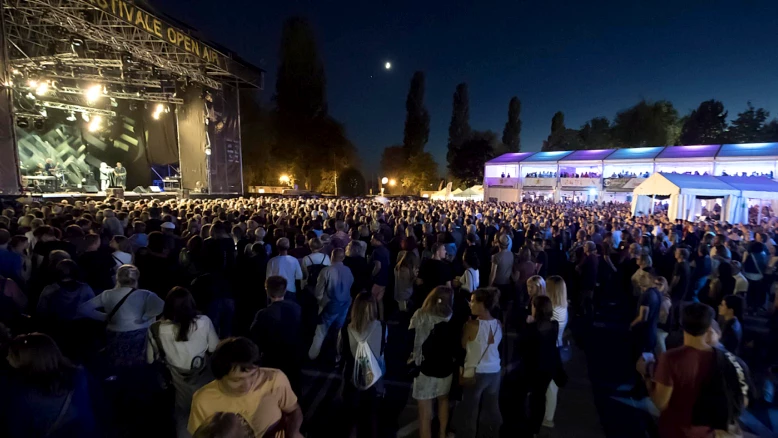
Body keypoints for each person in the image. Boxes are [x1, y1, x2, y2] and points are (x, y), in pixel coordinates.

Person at [188, 337, 304, 438]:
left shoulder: (275, 379)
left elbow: (293, 410)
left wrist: (293, 432)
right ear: (219, 376)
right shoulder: (202, 400)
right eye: (237, 380)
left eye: (253, 375)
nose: (248, 385)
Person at [147, 287, 219, 438]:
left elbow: (150, 359)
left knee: (184, 415)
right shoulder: (204, 322)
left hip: (178, 382)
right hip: (203, 376)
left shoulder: (155, 328)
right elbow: (214, 347)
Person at [0, 333, 99, 437]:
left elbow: (17, 430)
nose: (7, 358)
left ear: (27, 361)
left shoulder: (22, 394)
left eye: (11, 355)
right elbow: (98, 403)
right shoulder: (79, 374)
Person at [640, 302, 716, 438]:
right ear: (709, 327)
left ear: (682, 323)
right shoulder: (721, 358)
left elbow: (660, 402)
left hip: (676, 430)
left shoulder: (671, 358)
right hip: (707, 432)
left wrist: (645, 374)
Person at [78, 264, 164, 369]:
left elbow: (83, 309)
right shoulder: (145, 294)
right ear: (136, 278)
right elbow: (161, 306)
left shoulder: (107, 294)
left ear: (117, 278)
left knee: (118, 366)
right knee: (139, 367)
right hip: (140, 334)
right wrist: (145, 318)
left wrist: (105, 317)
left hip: (115, 335)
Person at [454, 288, 503, 438]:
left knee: (470, 411)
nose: (470, 304)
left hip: (476, 372)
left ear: (483, 304)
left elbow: (463, 345)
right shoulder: (498, 323)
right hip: (494, 370)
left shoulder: (472, 325)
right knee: (491, 408)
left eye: (474, 301)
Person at [409, 286, 456, 438]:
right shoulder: (452, 317)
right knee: (443, 401)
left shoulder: (420, 314)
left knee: (424, 413)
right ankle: (442, 433)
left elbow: (411, 336)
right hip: (445, 367)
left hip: (424, 368)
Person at [517, 295, 564, 437]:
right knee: (540, 397)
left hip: (533, 368)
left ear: (536, 309)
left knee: (528, 397)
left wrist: (527, 324)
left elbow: (522, 346)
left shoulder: (531, 328)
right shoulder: (554, 325)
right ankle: (535, 428)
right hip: (548, 367)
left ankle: (527, 426)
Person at [341, 293, 386, 438]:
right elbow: (383, 349)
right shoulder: (382, 327)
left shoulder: (345, 329)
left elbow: (340, 350)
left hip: (352, 378)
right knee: (372, 419)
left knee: (351, 419)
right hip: (374, 380)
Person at [249, 276, 303, 396]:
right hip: (294, 354)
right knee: (293, 386)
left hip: (272, 357)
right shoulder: (297, 308)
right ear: (285, 290)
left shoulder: (263, 314)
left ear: (267, 291)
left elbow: (255, 336)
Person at [309, 248, 354, 360]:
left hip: (330, 305)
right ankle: (336, 355)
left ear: (331, 257)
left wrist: (321, 302)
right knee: (338, 331)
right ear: (343, 258)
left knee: (321, 330)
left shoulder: (326, 271)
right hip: (344, 304)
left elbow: (318, 292)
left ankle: (313, 355)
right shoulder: (348, 270)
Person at [543, 275, 568, 428]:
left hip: (551, 349)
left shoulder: (555, 311)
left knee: (551, 386)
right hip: (555, 347)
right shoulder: (562, 307)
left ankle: (548, 417)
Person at [370, 232, 391, 321]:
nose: (371, 241)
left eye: (372, 239)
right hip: (385, 277)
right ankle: (381, 318)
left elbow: (378, 266)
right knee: (379, 299)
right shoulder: (386, 250)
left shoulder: (376, 252)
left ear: (377, 240)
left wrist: (372, 275)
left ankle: (373, 317)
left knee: (373, 299)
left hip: (378, 279)